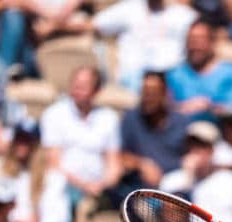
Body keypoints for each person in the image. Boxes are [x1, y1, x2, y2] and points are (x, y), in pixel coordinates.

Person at [40, 66, 122, 210]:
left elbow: (113, 163)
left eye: (83, 87)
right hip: (66, 187)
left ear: (97, 91)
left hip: (100, 189)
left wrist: (102, 185)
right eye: (75, 85)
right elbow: (54, 163)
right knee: (54, 184)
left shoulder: (109, 118)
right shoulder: (54, 114)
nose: (77, 90)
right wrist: (83, 185)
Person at [92, 0, 198, 91]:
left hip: (171, 75)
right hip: (136, 76)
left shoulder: (180, 13)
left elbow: (204, 29)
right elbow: (95, 25)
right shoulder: (129, 8)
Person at [120, 71, 191, 192]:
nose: (148, 97)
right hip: (142, 190)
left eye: (153, 92)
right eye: (145, 91)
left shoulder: (181, 122)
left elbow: (193, 154)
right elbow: (119, 155)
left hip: (176, 188)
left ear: (164, 94)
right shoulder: (131, 119)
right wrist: (141, 164)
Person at [166, 19, 232, 121]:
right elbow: (166, 111)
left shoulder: (231, 72)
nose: (195, 46)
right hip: (182, 130)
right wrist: (183, 108)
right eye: (191, 41)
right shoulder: (174, 75)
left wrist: (209, 107)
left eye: (200, 41)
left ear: (212, 43)